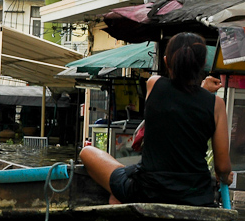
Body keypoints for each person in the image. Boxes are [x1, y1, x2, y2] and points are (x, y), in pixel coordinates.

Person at [79, 32, 232, 206]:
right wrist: (224, 176)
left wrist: (201, 88)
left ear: (166, 62)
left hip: (150, 190)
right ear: (204, 64)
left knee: (87, 152)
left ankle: (119, 200)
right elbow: (223, 167)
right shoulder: (216, 104)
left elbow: (181, 102)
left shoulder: (154, 83)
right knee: (121, 187)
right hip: (197, 195)